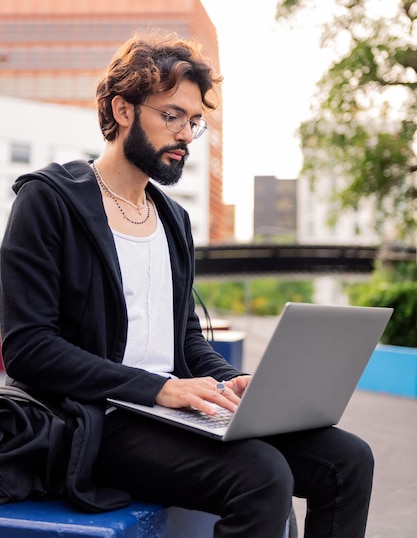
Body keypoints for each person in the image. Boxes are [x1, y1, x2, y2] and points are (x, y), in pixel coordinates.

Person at [0, 31, 374, 537]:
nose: (184, 135)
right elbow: (28, 348)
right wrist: (161, 389)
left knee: (348, 459)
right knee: (262, 475)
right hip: (98, 419)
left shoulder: (173, 219)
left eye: (194, 122)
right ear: (124, 109)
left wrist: (229, 384)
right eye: (171, 115)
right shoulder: (49, 202)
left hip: (173, 412)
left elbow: (186, 339)